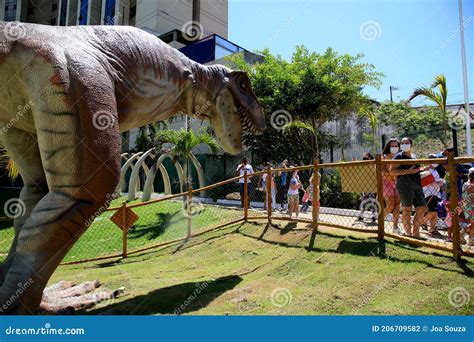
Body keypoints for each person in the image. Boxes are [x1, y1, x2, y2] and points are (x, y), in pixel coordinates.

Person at [390, 137, 426, 238]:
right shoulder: (398, 156)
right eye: (402, 143)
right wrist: (409, 171)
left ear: (411, 145)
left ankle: (416, 232)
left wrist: (421, 170)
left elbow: (416, 170)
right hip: (404, 185)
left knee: (421, 207)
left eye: (406, 143)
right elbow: (392, 171)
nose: (404, 145)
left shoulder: (414, 156)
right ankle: (408, 234)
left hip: (417, 184)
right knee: (407, 209)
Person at [420, 155, 444, 237]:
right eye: (433, 160)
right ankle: (422, 222)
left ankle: (433, 228)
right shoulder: (426, 171)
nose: (435, 162)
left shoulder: (435, 170)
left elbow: (436, 180)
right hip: (428, 193)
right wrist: (436, 181)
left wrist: (440, 182)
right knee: (432, 211)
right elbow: (425, 181)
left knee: (435, 212)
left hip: (436, 193)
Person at [381, 139, 401, 233]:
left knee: (397, 206)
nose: (394, 147)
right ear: (388, 146)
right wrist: (392, 175)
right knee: (390, 205)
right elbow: (382, 172)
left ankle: (395, 227)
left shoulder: (401, 157)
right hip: (386, 182)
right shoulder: (384, 157)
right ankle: (380, 221)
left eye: (396, 146)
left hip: (398, 182)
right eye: (392, 146)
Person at [358, 152, 377, 223]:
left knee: (372, 200)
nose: (364, 158)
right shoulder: (363, 165)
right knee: (364, 200)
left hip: (372, 185)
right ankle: (361, 215)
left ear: (370, 157)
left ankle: (374, 215)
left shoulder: (374, 164)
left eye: (366, 156)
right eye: (364, 156)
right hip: (364, 185)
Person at [462, 168, 474, 246]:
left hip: (468, 207)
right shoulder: (468, 184)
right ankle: (470, 240)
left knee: (473, 224)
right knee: (473, 224)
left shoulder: (467, 184)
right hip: (470, 207)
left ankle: (470, 239)